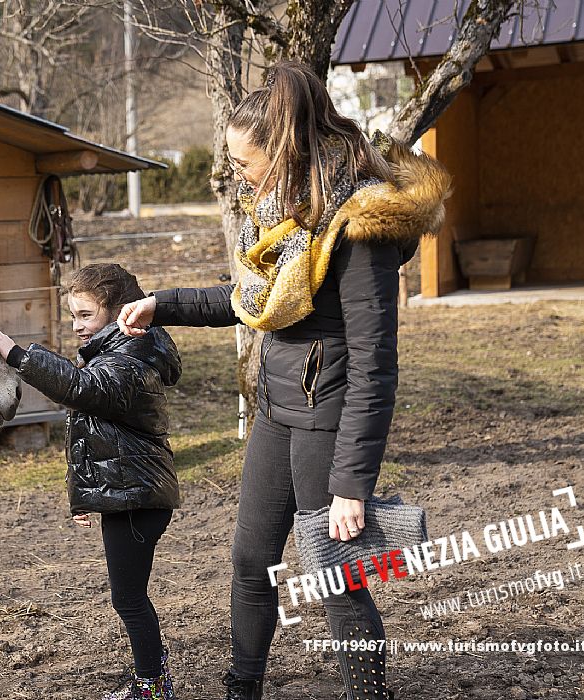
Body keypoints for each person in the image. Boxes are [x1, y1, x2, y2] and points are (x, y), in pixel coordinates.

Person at [116, 61, 450, 700]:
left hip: (327, 419)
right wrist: (166, 302)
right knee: (250, 562)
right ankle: (244, 687)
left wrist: (353, 485)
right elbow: (251, 299)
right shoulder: (290, 213)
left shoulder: (356, 229)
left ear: (284, 151)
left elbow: (377, 366)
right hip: (276, 408)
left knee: (335, 576)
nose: (235, 177)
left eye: (244, 163)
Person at [0, 263, 183, 700]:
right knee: (131, 597)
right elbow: (96, 433)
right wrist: (85, 496)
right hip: (129, 494)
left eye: (85, 315)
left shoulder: (131, 357)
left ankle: (153, 686)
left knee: (129, 599)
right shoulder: (118, 352)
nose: (76, 326)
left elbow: (82, 390)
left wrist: (14, 353)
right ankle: (154, 680)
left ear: (119, 313)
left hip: (137, 500)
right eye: (73, 315)